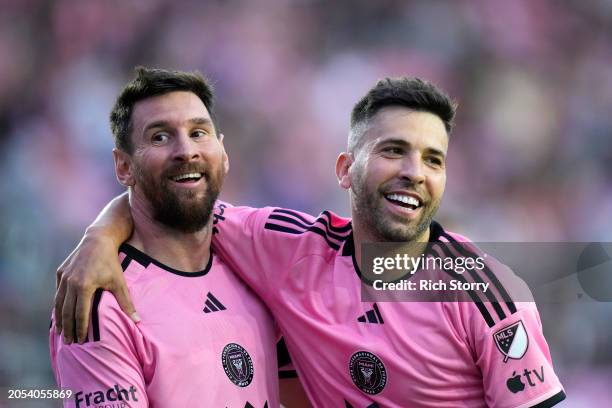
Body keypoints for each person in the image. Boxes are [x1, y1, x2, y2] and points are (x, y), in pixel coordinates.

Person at [55, 76, 566, 407]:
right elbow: (179, 200)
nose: (414, 173)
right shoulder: (289, 251)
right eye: (393, 151)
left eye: (433, 160)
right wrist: (99, 236)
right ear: (346, 170)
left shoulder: (485, 292)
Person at [49, 67, 304, 407]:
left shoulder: (259, 253)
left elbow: (382, 266)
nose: (186, 150)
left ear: (223, 153)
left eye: (199, 132)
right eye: (160, 137)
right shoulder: (101, 304)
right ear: (124, 167)